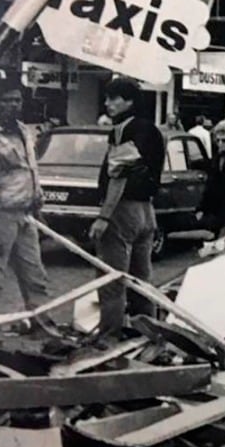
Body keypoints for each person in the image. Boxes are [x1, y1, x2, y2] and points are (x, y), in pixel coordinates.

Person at [0, 79, 54, 334]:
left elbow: (30, 172)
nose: (13, 105)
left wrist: (38, 205)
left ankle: (43, 327)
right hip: (0, 218)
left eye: (17, 99)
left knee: (36, 276)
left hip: (26, 216)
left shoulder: (24, 132)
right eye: (6, 100)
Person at [89, 78, 165, 337]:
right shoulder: (152, 130)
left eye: (114, 98)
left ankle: (109, 336)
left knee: (112, 280)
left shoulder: (123, 129)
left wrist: (103, 216)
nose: (107, 103)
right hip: (146, 211)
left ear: (129, 101)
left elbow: (118, 174)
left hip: (123, 210)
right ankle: (149, 334)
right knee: (142, 281)